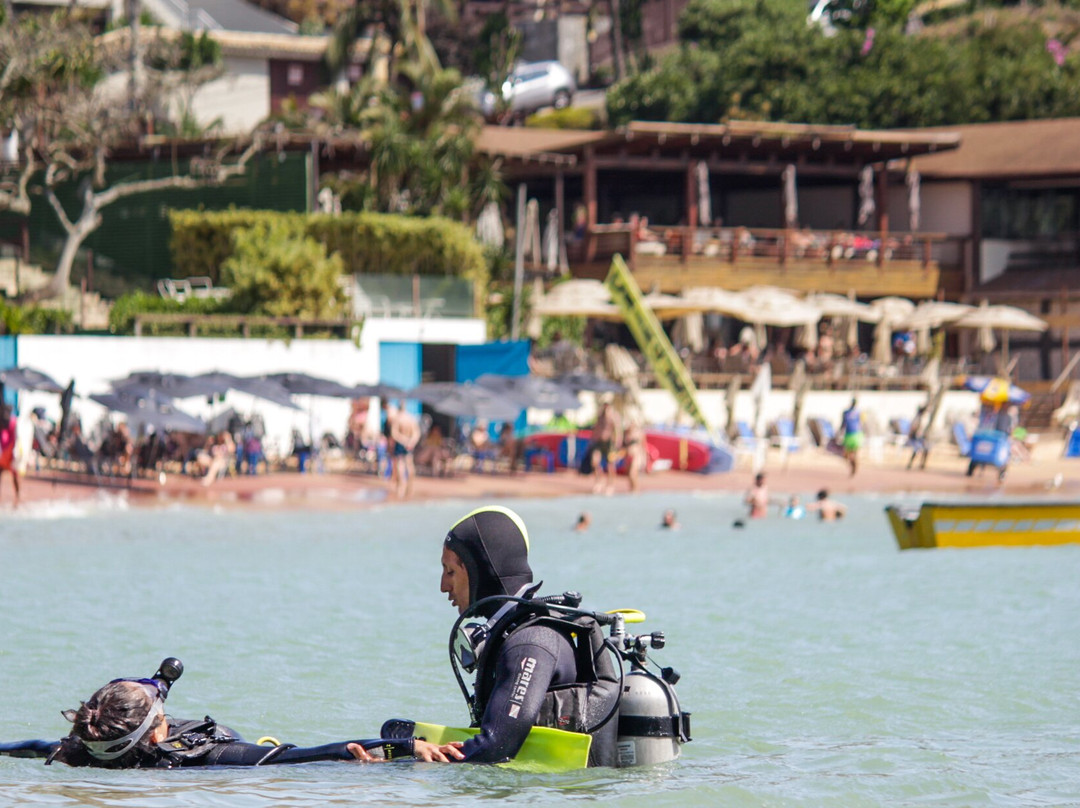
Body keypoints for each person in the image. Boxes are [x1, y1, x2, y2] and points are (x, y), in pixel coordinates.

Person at [434, 506, 621, 765]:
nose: (443, 586)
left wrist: (407, 754)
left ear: (480, 569)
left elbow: (496, 747)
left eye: (450, 571)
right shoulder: (515, 633)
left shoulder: (531, 642)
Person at [9, 660, 443, 768]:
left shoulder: (77, 750)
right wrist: (399, 746)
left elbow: (24, 747)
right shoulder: (205, 756)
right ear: (156, 738)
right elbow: (297, 756)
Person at [386, 402, 420, 498]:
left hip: (401, 444)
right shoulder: (411, 418)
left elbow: (394, 433)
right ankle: (410, 487)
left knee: (400, 464)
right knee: (409, 464)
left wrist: (403, 440)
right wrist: (411, 442)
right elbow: (416, 433)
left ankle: (402, 485)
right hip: (409, 443)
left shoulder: (398, 418)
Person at [589, 400, 621, 495]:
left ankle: (611, 485)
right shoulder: (600, 417)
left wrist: (617, 443)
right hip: (599, 442)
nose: (605, 409)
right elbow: (596, 429)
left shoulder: (613, 417)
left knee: (610, 465)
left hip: (609, 443)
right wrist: (592, 440)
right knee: (594, 461)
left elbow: (618, 431)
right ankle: (599, 481)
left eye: (607, 407)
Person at [0, 402, 21, 505]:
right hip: (3, 453)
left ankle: (17, 496)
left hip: (10, 453)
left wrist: (14, 451)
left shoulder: (12, 422)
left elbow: (15, 437)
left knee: (14, 476)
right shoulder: (2, 421)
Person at [840, 398, 863, 476]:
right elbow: (861, 423)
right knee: (850, 454)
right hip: (853, 434)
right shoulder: (855, 412)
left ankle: (854, 467)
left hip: (853, 434)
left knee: (851, 454)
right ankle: (854, 466)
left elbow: (843, 424)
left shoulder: (856, 412)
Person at [621, 421, 646, 492]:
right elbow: (623, 445)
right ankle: (632, 489)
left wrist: (644, 458)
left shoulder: (639, 433)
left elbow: (643, 446)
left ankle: (636, 489)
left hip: (636, 455)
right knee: (629, 475)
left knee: (632, 473)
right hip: (628, 456)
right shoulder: (625, 433)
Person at [907, 405, 930, 470]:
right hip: (915, 437)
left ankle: (922, 464)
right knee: (916, 449)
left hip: (920, 437)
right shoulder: (917, 418)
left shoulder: (922, 418)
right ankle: (910, 463)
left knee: (926, 449)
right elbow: (913, 428)